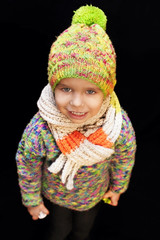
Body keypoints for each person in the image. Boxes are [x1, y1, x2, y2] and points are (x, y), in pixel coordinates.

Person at [16, 5, 136, 240]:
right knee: (59, 231)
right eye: (66, 89)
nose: (77, 103)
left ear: (107, 90)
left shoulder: (117, 124)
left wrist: (117, 188)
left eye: (90, 91)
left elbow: (125, 155)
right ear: (54, 86)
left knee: (82, 232)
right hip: (56, 196)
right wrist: (32, 201)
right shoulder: (41, 128)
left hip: (94, 195)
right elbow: (27, 163)